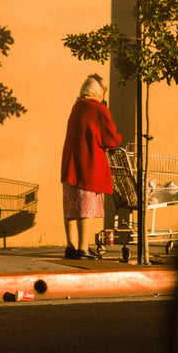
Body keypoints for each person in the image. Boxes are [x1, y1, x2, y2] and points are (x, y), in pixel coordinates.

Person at [61, 74, 122, 259]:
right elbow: (110, 137)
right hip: (87, 165)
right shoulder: (98, 109)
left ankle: (70, 246)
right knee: (84, 208)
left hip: (69, 165)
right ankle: (83, 248)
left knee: (71, 207)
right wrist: (115, 144)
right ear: (99, 91)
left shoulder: (76, 107)